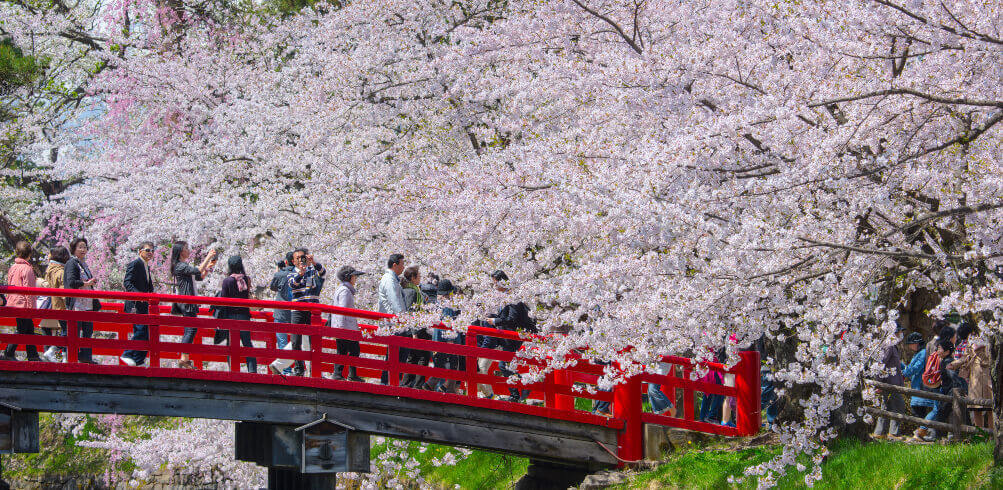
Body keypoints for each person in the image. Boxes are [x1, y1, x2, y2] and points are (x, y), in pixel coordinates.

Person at [477, 270, 537, 402]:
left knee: (504, 366)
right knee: (504, 365)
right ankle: (517, 393)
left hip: (513, 336)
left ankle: (522, 388)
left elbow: (512, 319)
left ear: (502, 281)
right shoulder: (504, 296)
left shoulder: (513, 297)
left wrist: (495, 321)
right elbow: (505, 316)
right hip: (506, 336)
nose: (494, 286)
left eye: (495, 283)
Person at [270, 248, 325, 376]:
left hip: (312, 310)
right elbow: (292, 284)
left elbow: (322, 273)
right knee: (296, 340)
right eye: (298, 258)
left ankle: (314, 370)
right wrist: (300, 273)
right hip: (298, 310)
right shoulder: (291, 273)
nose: (301, 260)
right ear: (293, 261)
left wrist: (314, 262)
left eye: (303, 257)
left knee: (313, 341)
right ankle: (299, 369)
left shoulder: (312, 270)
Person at [169, 241, 217, 369]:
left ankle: (185, 359)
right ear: (180, 251)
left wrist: (208, 268)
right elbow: (197, 270)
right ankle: (184, 359)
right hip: (187, 302)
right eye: (186, 248)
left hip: (190, 301)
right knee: (191, 329)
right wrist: (208, 256)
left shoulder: (183, 265)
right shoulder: (179, 266)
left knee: (190, 329)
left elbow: (198, 276)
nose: (188, 250)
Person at [1, 240, 41, 362]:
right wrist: (31, 308)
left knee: (28, 329)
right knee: (22, 329)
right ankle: (9, 352)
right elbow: (29, 290)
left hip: (13, 302)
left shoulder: (13, 267)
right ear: (29, 254)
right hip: (23, 304)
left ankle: (33, 355)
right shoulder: (27, 269)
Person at [216, 256, 257, 373]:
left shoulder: (227, 281)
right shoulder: (246, 279)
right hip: (244, 315)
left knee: (231, 344)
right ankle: (252, 371)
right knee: (247, 343)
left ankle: (233, 370)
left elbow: (223, 299)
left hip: (230, 315)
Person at [64, 237, 101, 364]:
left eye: (85, 247)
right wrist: (86, 283)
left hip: (87, 303)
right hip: (77, 304)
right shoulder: (72, 263)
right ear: (73, 249)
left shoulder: (83, 263)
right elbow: (71, 282)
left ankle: (86, 357)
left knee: (88, 331)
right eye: (80, 247)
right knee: (75, 332)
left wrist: (90, 283)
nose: (83, 249)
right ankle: (72, 358)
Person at [327, 265, 366, 382]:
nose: (355, 279)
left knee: (343, 350)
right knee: (353, 350)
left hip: (343, 326)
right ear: (349, 277)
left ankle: (339, 374)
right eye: (354, 276)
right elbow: (342, 310)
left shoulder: (342, 289)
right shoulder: (345, 291)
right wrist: (341, 329)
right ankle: (348, 375)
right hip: (345, 327)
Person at [120, 242, 156, 367]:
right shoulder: (135, 263)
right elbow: (127, 282)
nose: (150, 253)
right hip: (135, 303)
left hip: (144, 303)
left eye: (152, 250)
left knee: (145, 332)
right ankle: (127, 354)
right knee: (140, 331)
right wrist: (139, 295)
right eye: (147, 250)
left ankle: (138, 360)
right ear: (140, 251)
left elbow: (148, 286)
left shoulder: (146, 266)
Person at [950, 332, 991, 428]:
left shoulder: (991, 338)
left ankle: (992, 436)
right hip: (975, 378)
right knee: (976, 408)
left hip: (988, 375)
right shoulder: (971, 340)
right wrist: (955, 364)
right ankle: (980, 436)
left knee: (990, 409)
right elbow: (965, 356)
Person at [429, 279, 463, 393]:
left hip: (437, 340)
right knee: (449, 367)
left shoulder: (436, 304)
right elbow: (449, 323)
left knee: (440, 366)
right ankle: (443, 392)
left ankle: (435, 387)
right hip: (448, 342)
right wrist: (450, 340)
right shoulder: (448, 305)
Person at [400, 265, 432, 389]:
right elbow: (410, 312)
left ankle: (411, 384)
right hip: (416, 329)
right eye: (418, 276)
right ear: (413, 278)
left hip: (419, 328)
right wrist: (414, 331)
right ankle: (412, 385)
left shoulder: (415, 290)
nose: (420, 278)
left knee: (418, 356)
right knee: (418, 357)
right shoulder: (411, 291)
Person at [871, 327, 905, 440]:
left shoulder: (892, 346)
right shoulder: (889, 346)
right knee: (898, 406)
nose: (901, 334)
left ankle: (880, 432)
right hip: (890, 383)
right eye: (900, 332)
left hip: (892, 382)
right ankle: (893, 433)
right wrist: (879, 383)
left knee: (886, 407)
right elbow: (880, 364)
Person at [378, 253, 407, 385]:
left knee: (394, 354)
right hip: (394, 322)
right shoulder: (389, 280)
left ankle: (388, 382)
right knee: (397, 354)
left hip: (394, 321)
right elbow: (395, 301)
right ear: (395, 265)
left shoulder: (392, 279)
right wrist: (403, 318)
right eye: (402, 264)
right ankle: (389, 382)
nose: (403, 267)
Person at [902, 332, 935, 439]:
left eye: (911, 344)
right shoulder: (918, 353)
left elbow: (914, 369)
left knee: (917, 410)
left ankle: (924, 432)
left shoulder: (922, 353)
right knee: (917, 411)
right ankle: (923, 432)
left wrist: (904, 371)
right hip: (917, 385)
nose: (910, 346)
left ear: (916, 343)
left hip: (921, 386)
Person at [39, 246, 70, 362]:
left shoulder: (49, 270)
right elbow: (63, 293)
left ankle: (53, 360)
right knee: (63, 333)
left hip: (49, 307)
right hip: (59, 306)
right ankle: (56, 357)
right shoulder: (61, 271)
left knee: (50, 335)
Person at [269, 252, 295, 348]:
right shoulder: (300, 274)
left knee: (282, 342)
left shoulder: (280, 275)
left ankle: (283, 361)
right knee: (296, 342)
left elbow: (273, 287)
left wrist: (278, 271)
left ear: (286, 262)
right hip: (296, 313)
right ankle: (298, 362)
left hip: (281, 312)